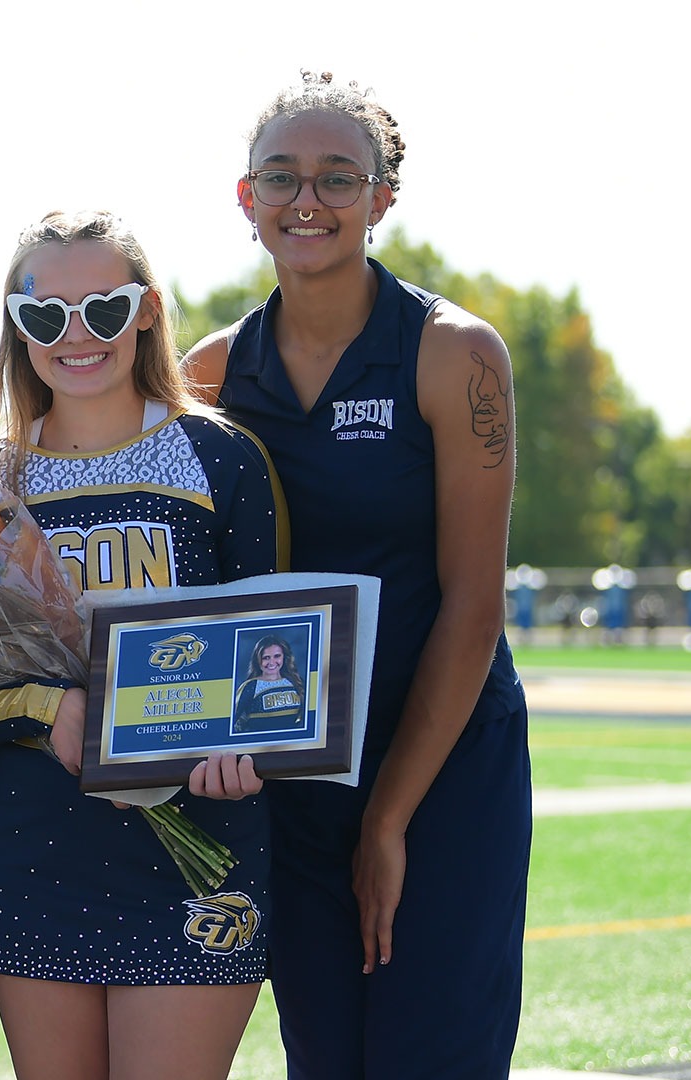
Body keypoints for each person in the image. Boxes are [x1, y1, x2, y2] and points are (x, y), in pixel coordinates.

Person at [186, 72, 530, 1078]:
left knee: (435, 1054)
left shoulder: (454, 354)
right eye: (282, 178)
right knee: (325, 1056)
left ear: (383, 197)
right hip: (293, 772)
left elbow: (474, 604)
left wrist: (389, 818)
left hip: (445, 762)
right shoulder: (208, 374)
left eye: (340, 178)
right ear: (246, 199)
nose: (310, 200)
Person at [0, 211, 284, 1080]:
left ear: (149, 310)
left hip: (203, 834)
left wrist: (248, 748)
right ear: (17, 326)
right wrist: (48, 709)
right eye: (46, 316)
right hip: (37, 848)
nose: (75, 336)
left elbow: (279, 654)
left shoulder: (221, 459)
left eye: (104, 310)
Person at [233, 634, 305, 735]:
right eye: (266, 658)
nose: (272, 662)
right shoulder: (250, 686)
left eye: (277, 656)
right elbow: (232, 723)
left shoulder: (296, 682)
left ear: (284, 657)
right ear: (258, 660)